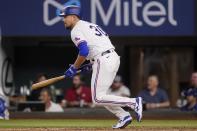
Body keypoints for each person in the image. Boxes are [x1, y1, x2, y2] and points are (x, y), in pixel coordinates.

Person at [58, 4, 142, 129]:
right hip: (111, 57)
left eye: (65, 16)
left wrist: (74, 67)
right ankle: (124, 115)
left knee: (97, 98)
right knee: (101, 95)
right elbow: (96, 47)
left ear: (74, 17)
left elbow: (84, 51)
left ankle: (133, 102)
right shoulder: (90, 25)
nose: (63, 19)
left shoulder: (76, 29)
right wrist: (90, 64)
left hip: (103, 59)